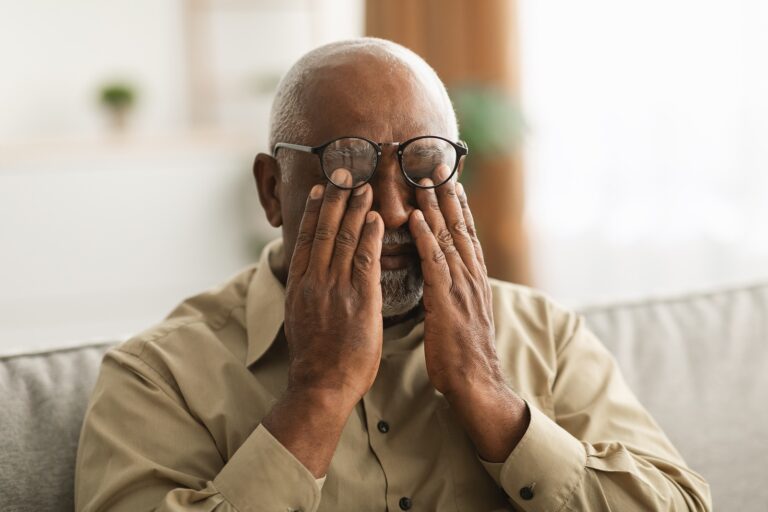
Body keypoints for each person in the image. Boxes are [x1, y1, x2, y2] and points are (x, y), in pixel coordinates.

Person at [75, 38, 711, 511]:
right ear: (272, 190)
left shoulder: (546, 333)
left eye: (424, 164)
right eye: (347, 166)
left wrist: (488, 395)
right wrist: (319, 394)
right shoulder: (158, 375)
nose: (397, 208)